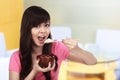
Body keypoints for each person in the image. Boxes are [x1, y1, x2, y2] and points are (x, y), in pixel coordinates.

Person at [9, 6, 97, 80]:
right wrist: (34, 71)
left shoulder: (56, 48)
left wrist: (78, 49)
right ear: (27, 29)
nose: (43, 31)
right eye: (37, 26)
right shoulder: (16, 57)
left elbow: (92, 62)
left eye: (46, 25)